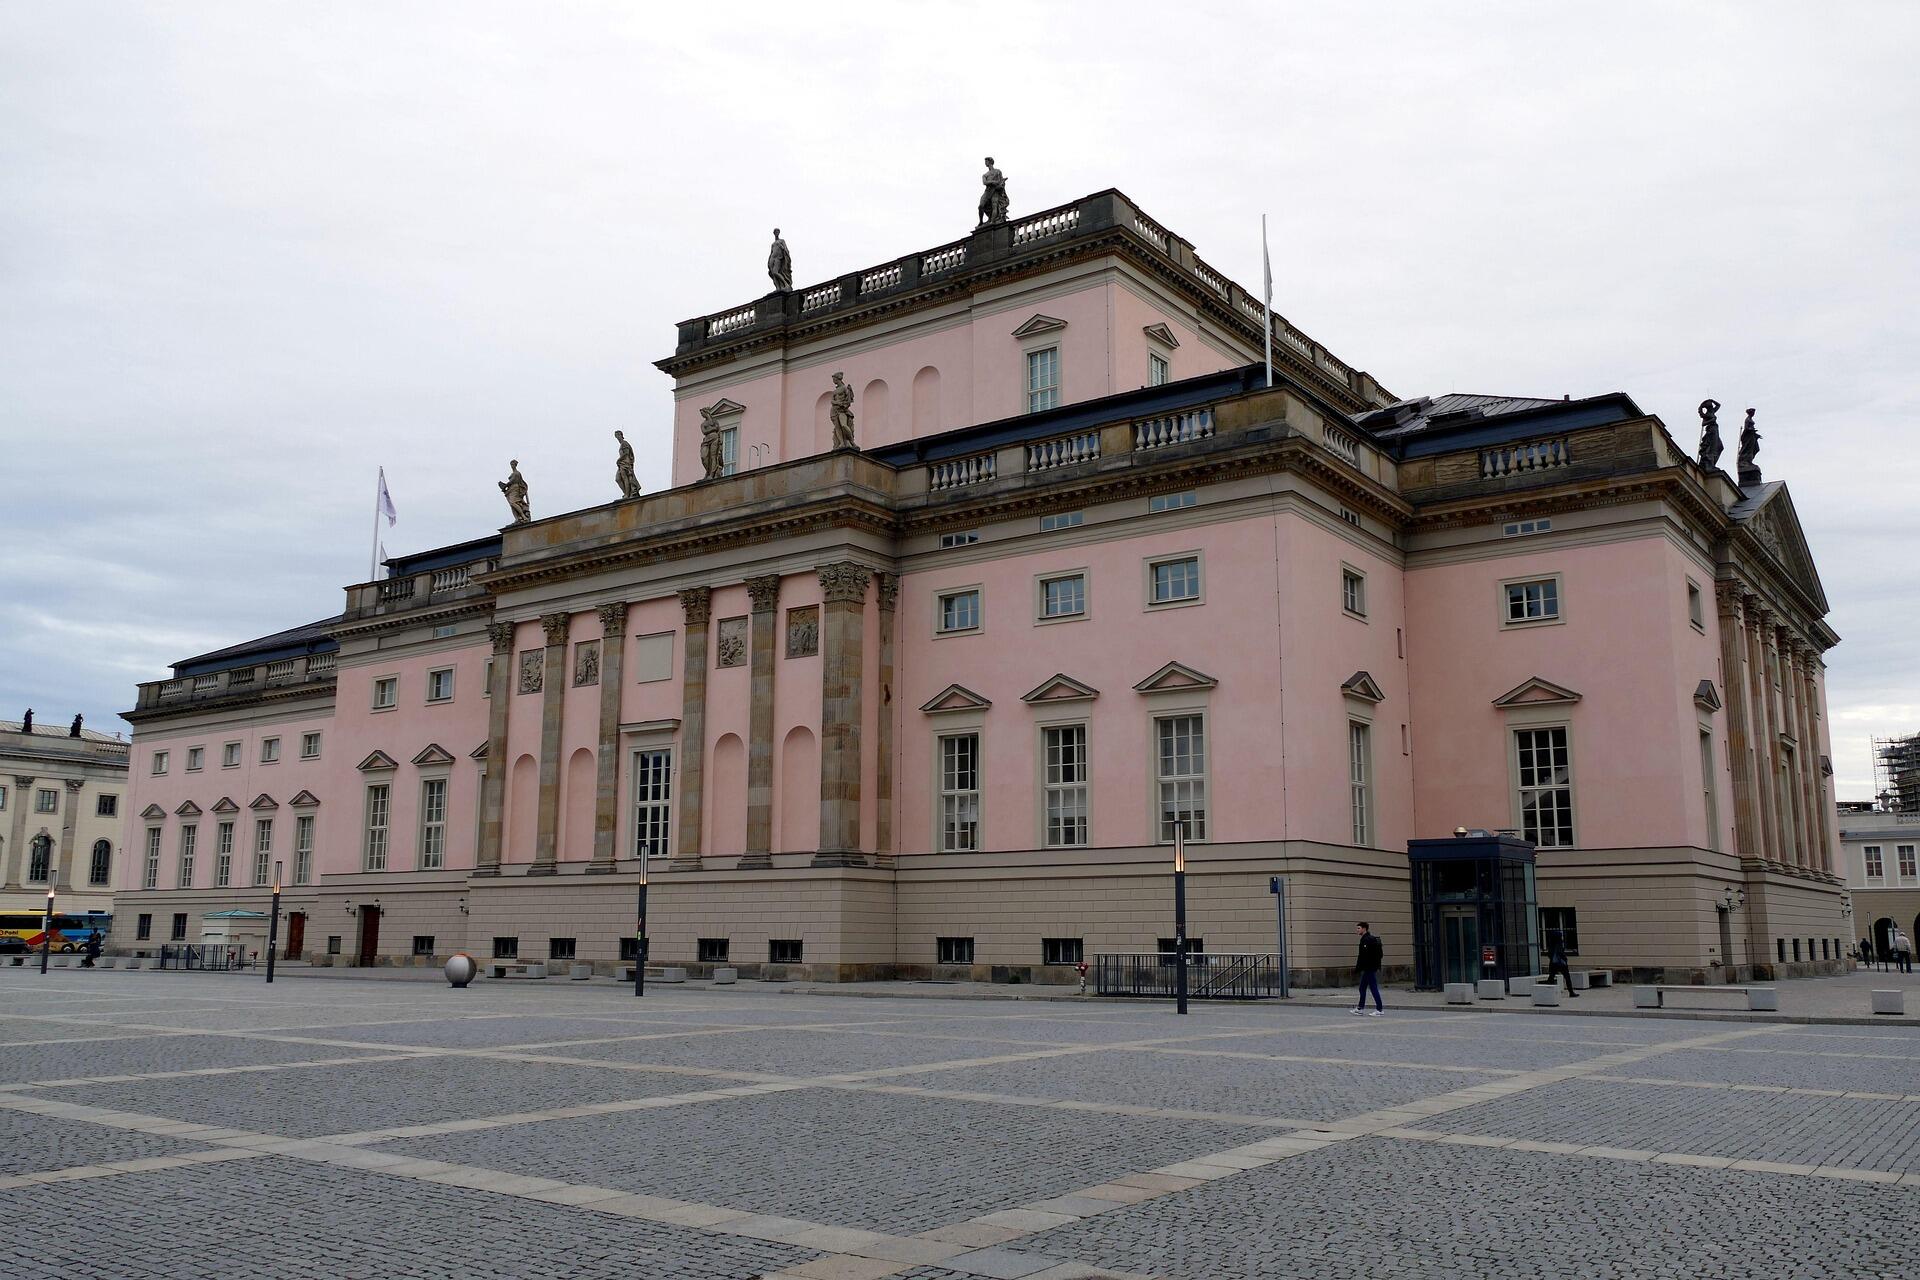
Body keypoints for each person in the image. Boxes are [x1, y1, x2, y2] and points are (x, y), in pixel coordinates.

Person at [1351, 921, 1384, 1016]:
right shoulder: (1365, 939)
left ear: (1364, 929)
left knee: (1373, 988)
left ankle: (1379, 1009)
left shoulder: (1367, 940)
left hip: (1369, 968)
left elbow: (1364, 956)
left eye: (1359, 928)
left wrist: (1361, 967)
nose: (1357, 930)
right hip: (1368, 968)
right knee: (1362, 988)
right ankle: (1360, 1008)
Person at [1545, 928, 1578, 998]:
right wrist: (1565, 959)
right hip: (1561, 964)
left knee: (1551, 978)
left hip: (1553, 964)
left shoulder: (1551, 944)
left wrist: (1552, 959)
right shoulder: (1559, 943)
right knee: (1567, 977)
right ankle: (1571, 992)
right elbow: (1560, 952)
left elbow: (1549, 954)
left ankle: (1546, 992)